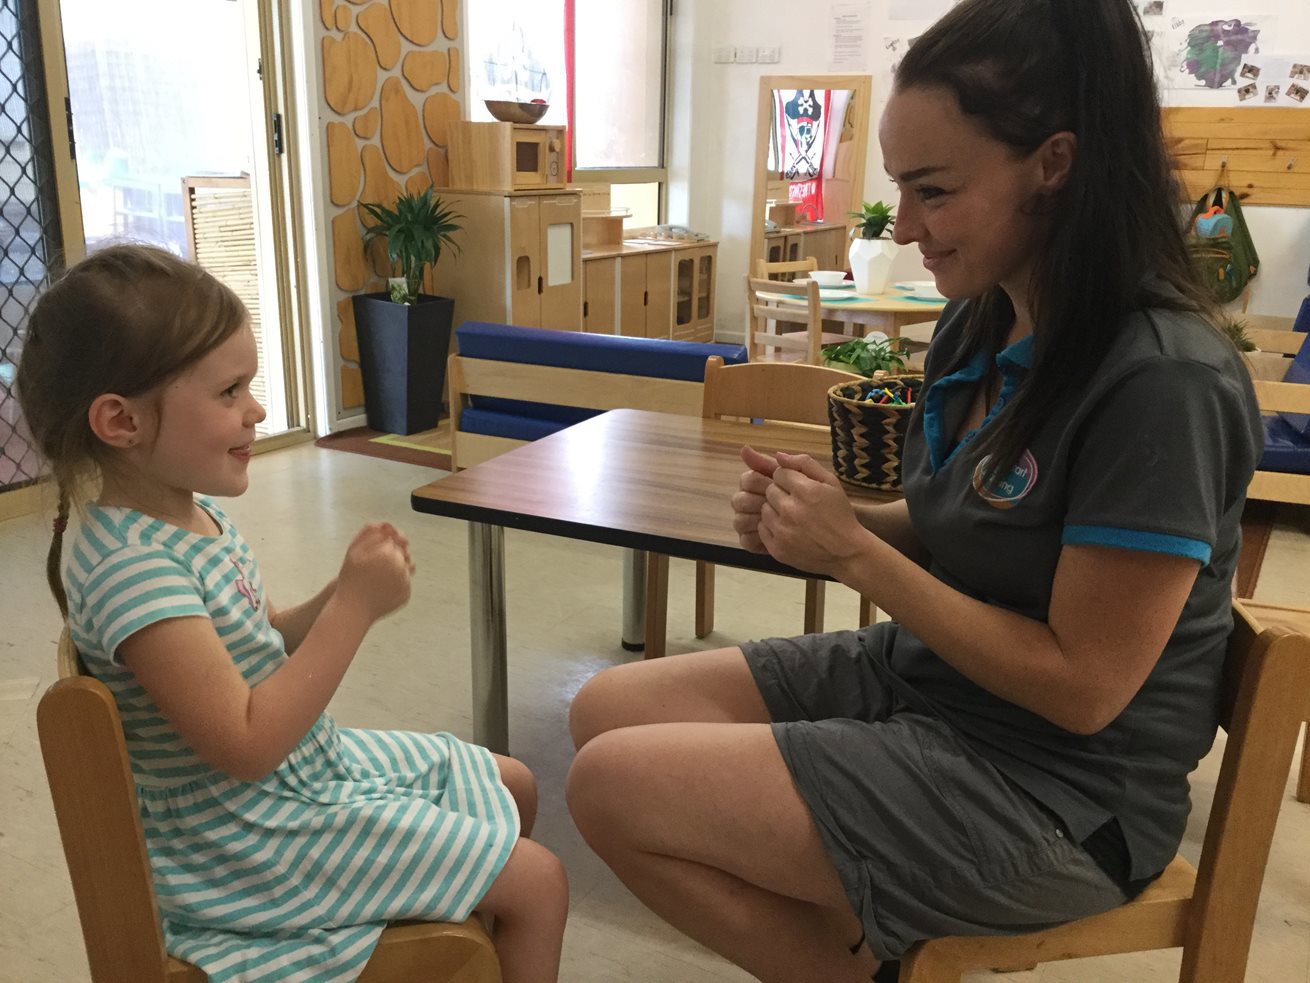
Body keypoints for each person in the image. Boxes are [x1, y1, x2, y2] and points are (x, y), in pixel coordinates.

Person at [565, 1, 1262, 980]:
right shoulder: (983, 318)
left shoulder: (1161, 381)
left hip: (1061, 793)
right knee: (603, 710)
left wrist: (855, 554)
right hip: (936, 684)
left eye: (932, 191)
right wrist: (831, 522)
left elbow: (1081, 688)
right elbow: (954, 525)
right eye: (899, 187)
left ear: (1054, 164)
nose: (903, 227)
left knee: (611, 785)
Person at [16, 245, 567, 983]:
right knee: (540, 884)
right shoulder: (133, 571)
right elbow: (247, 742)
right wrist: (354, 613)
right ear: (122, 421)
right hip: (245, 835)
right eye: (229, 392)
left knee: (513, 782)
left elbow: (262, 636)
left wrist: (338, 592)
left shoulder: (183, 514)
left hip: (294, 778)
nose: (258, 409)